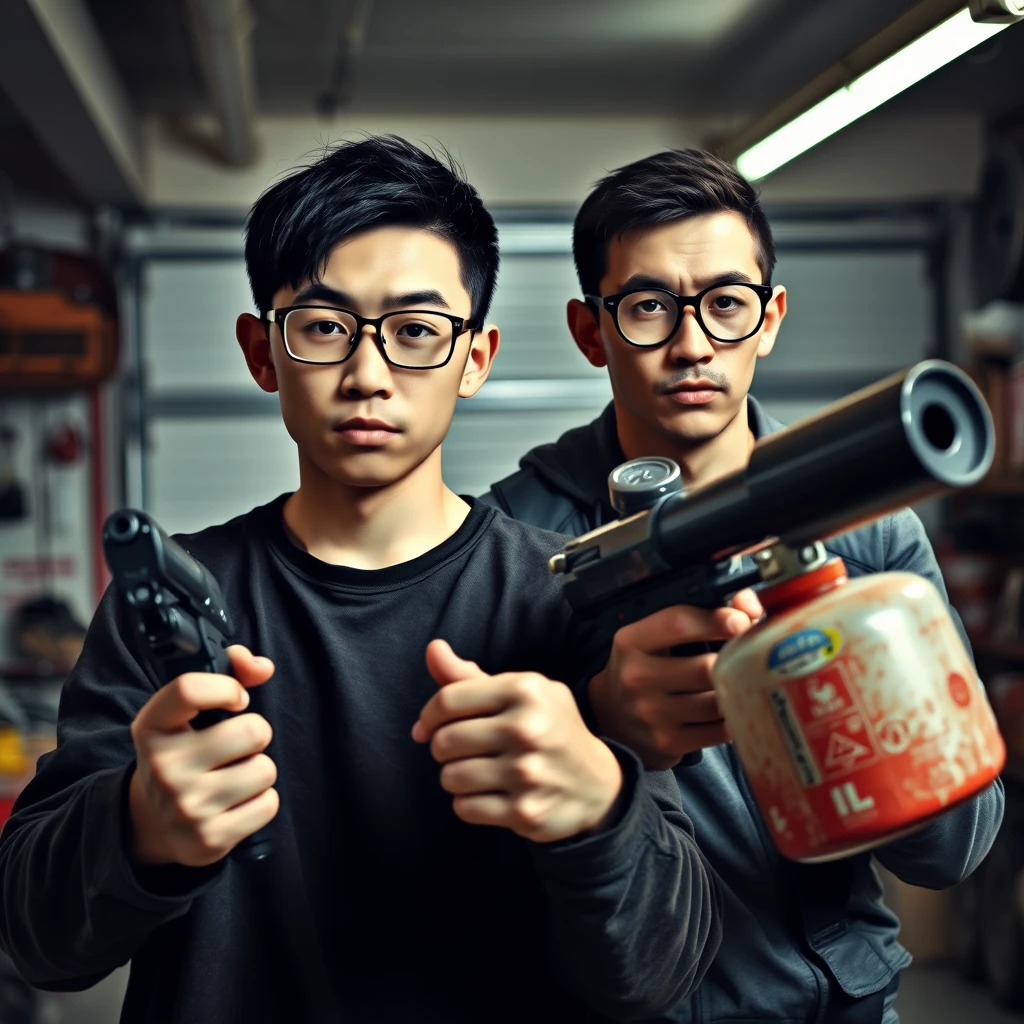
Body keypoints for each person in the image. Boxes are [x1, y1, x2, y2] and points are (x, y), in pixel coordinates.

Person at [0, 137, 723, 1024]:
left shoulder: (573, 596)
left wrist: (599, 810)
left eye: (417, 330)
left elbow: (662, 975)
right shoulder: (173, 608)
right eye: (324, 327)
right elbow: (36, 941)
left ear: (476, 358)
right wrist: (138, 825)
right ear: (262, 353)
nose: (368, 375)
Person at [481, 148, 1006, 1024]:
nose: (693, 345)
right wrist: (605, 729)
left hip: (839, 1001)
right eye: (649, 307)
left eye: (726, 305)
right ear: (589, 329)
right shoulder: (513, 541)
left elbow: (955, 849)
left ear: (769, 319)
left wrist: (880, 732)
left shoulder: (866, 518)